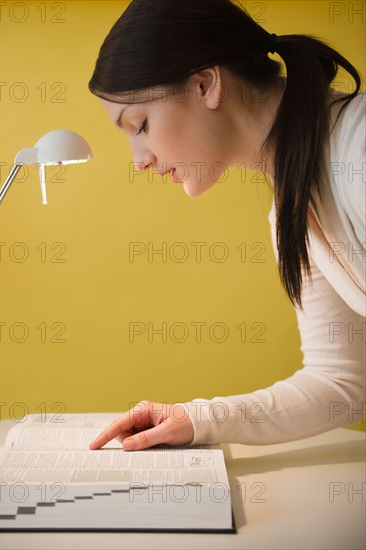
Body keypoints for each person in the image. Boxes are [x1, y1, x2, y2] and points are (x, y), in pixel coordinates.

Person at [87, 0, 365, 451]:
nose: (139, 161)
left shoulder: (358, 153)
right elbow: (339, 384)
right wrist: (196, 420)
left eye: (140, 125)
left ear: (205, 84)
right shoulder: (292, 208)